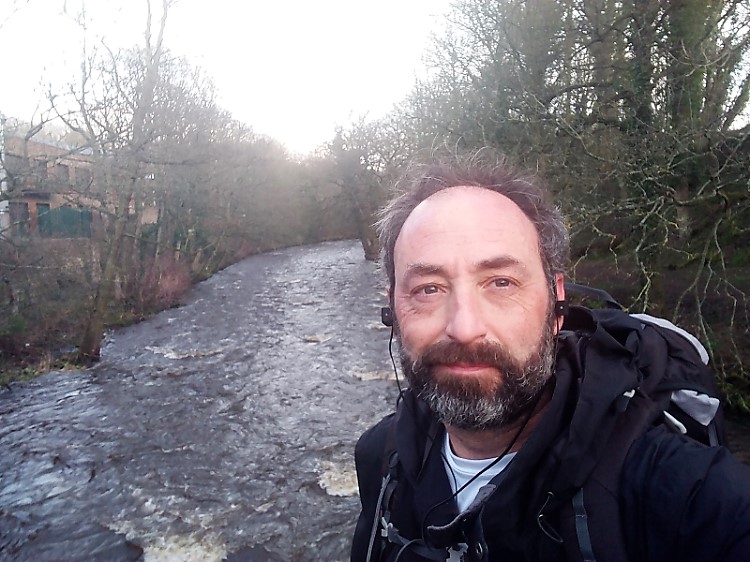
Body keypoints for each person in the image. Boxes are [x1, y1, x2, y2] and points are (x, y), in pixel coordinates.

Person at [350, 153, 750, 562]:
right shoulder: (381, 459)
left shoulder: (685, 492)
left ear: (557, 301)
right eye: (428, 289)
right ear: (392, 310)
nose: (464, 327)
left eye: (501, 282)